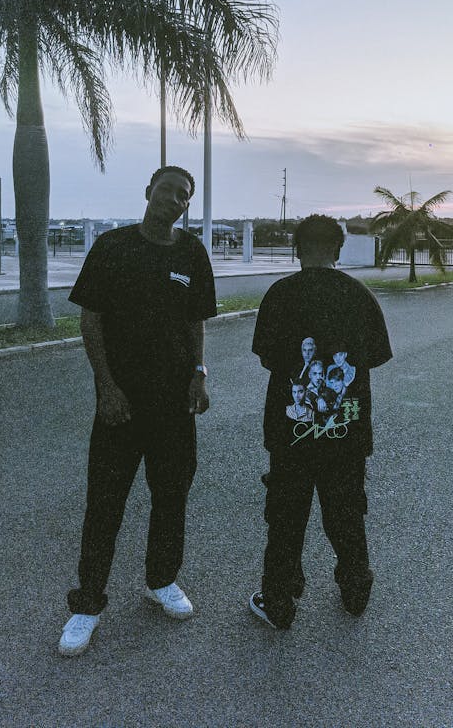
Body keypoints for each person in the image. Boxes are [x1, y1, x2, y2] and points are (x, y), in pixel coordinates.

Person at [58, 166, 217, 657]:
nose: (173, 200)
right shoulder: (113, 247)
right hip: (120, 406)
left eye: (183, 196)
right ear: (148, 191)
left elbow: (195, 323)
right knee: (105, 506)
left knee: (172, 497)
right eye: (166, 190)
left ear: (187, 205)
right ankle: (87, 605)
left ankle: (161, 580)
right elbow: (91, 321)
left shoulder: (191, 252)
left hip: (174, 406)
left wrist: (199, 374)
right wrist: (105, 387)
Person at [249, 214, 392, 630]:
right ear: (338, 249)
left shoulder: (280, 294)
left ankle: (279, 601)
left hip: (290, 433)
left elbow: (267, 357)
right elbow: (377, 356)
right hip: (347, 432)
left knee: (286, 519)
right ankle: (355, 588)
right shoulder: (359, 295)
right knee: (347, 513)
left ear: (297, 249)